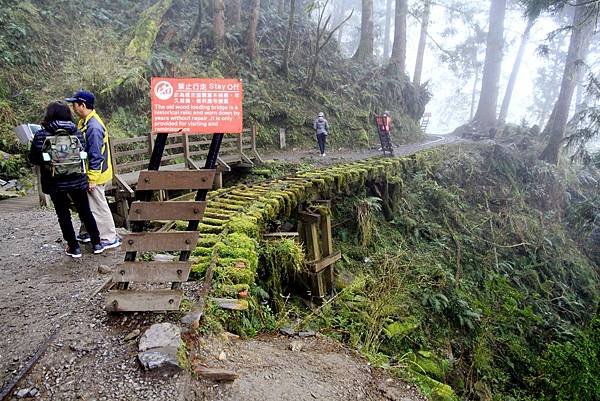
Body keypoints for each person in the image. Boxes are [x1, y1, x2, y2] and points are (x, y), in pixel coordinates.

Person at [28, 101, 104, 258]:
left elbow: (34, 158)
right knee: (85, 211)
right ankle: (97, 243)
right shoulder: (75, 131)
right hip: (77, 179)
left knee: (63, 214)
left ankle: (74, 247)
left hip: (55, 181)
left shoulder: (42, 134)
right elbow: (84, 152)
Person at [65, 90, 120, 249]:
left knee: (98, 205)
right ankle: (87, 232)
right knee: (88, 204)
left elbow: (96, 155)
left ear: (82, 105)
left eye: (74, 104)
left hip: (96, 173)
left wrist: (92, 179)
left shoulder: (94, 126)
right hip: (89, 172)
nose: (73, 108)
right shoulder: (85, 122)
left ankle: (109, 237)